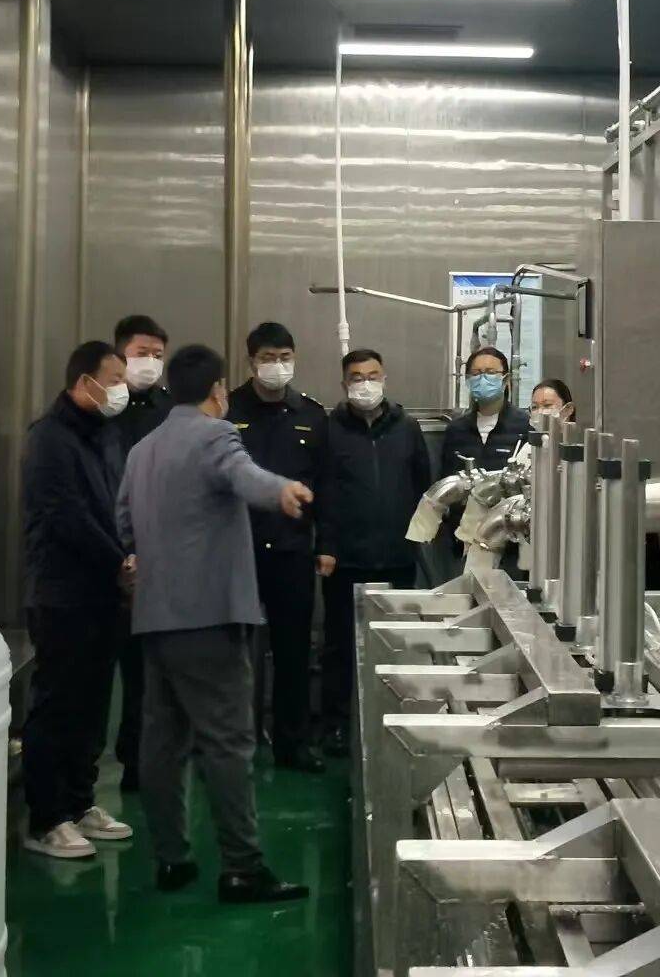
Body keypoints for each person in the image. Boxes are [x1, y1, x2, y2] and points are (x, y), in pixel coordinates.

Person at [117, 343, 313, 904]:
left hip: (155, 617)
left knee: (163, 743)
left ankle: (171, 858)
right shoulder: (215, 435)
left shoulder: (143, 450)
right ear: (218, 391)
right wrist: (282, 491)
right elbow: (243, 475)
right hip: (209, 619)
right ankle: (242, 867)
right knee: (227, 743)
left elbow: (124, 522)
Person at [22, 340, 135, 860]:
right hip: (62, 593)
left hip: (103, 593)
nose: (121, 389)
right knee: (58, 705)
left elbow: (114, 505)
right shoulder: (48, 438)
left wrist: (127, 554)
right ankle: (47, 818)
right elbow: (67, 515)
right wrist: (119, 560)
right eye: (114, 379)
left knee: (92, 705)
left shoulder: (105, 435)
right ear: (83, 381)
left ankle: (80, 801)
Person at [228, 321, 335, 774]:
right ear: (251, 362)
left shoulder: (311, 414)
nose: (277, 366)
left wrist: (325, 544)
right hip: (239, 551)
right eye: (268, 358)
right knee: (233, 653)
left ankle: (293, 744)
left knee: (294, 652)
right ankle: (232, 744)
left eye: (284, 357)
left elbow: (326, 485)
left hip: (292, 551)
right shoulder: (228, 410)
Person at [321, 348, 431, 757]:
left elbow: (423, 486)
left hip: (397, 557)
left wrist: (417, 540)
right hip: (346, 559)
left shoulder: (407, 428)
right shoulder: (330, 429)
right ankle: (336, 726)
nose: (365, 384)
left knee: (395, 645)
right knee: (340, 648)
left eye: (372, 376)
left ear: (385, 378)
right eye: (356, 377)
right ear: (344, 383)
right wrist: (326, 546)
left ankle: (394, 721)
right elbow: (324, 491)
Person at [111, 314, 173, 793]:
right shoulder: (102, 410)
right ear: (120, 355)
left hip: (157, 559)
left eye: (157, 354)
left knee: (148, 673)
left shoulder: (171, 412)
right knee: (96, 674)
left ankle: (141, 763)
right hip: (104, 554)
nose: (149, 362)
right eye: (140, 353)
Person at [439, 347, 531, 479]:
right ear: (468, 380)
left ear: (505, 380)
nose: (483, 379)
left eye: (490, 372)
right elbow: (446, 479)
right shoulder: (456, 430)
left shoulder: (525, 426)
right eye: (476, 373)